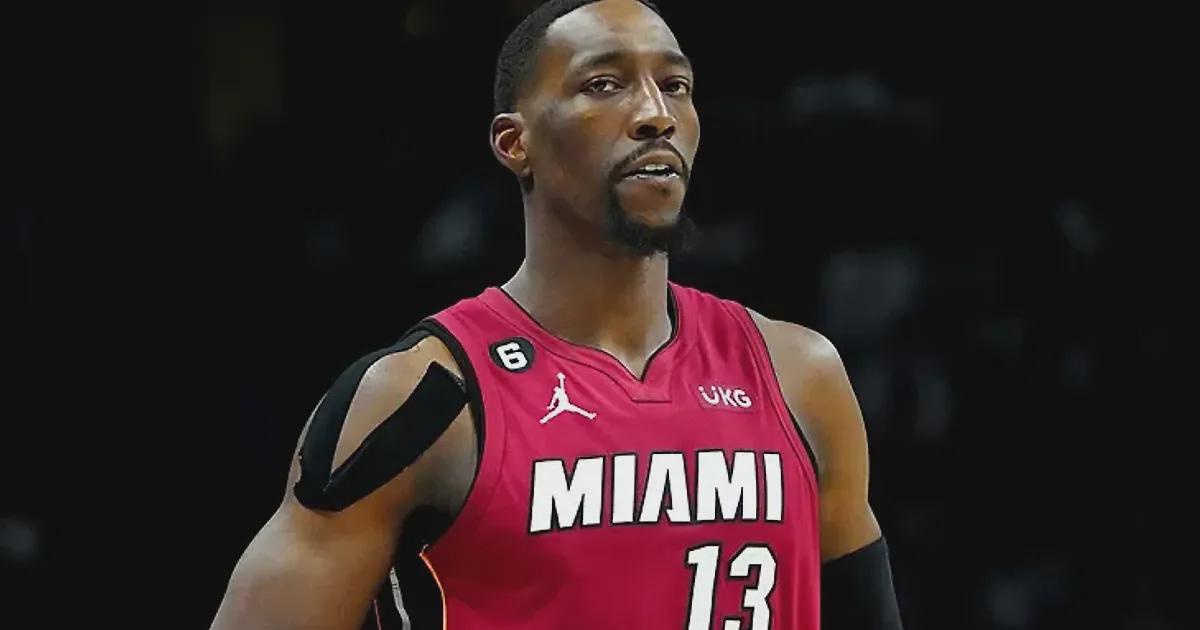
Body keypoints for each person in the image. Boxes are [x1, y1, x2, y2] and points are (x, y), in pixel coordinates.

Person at [209, 1, 902, 628]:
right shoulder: (424, 399)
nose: (656, 113)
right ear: (515, 144)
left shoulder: (800, 376)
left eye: (676, 85)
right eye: (604, 84)